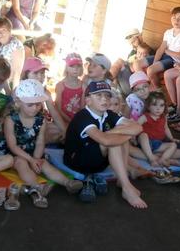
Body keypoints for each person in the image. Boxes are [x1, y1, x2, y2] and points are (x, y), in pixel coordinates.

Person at [63, 81, 147, 209]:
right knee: (114, 141)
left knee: (118, 138)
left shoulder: (108, 114)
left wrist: (113, 132)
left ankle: (122, 179)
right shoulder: (83, 117)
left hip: (98, 161)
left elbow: (137, 127)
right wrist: (124, 134)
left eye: (107, 96)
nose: (104, 99)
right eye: (98, 96)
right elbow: (105, 141)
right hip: (78, 162)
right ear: (88, 100)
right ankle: (126, 187)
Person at [5, 79, 83, 208]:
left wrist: (36, 158)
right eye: (30, 105)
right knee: (21, 164)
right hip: (16, 153)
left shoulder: (41, 120)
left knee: (44, 164)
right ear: (18, 102)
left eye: (38, 104)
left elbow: (41, 141)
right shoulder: (11, 119)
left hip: (34, 152)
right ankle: (37, 186)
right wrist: (30, 159)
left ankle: (67, 182)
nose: (35, 108)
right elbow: (12, 145)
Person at [137, 91, 180, 168]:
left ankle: (162, 159)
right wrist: (133, 138)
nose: (158, 108)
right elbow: (135, 127)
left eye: (161, 105)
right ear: (148, 106)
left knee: (174, 145)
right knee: (143, 135)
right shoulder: (145, 117)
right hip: (148, 143)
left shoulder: (163, 117)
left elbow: (166, 128)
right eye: (154, 105)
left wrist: (171, 138)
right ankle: (151, 159)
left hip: (159, 143)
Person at [145, 7, 180, 89]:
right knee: (137, 64)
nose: (176, 21)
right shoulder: (168, 32)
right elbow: (161, 49)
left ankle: (158, 91)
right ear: (171, 19)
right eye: (174, 18)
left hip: (176, 61)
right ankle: (143, 86)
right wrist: (154, 62)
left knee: (150, 70)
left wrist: (166, 51)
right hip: (166, 57)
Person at [54, 52, 84, 125]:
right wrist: (70, 121)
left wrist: (77, 121)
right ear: (66, 67)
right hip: (62, 120)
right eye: (72, 66)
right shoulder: (60, 86)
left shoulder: (83, 86)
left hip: (77, 120)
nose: (76, 69)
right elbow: (58, 108)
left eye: (78, 66)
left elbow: (83, 108)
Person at [0, 17, 25, 82]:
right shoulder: (1, 45)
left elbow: (16, 72)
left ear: (9, 31)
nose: (0, 33)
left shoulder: (15, 44)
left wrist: (13, 91)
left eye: (3, 30)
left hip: (7, 84)